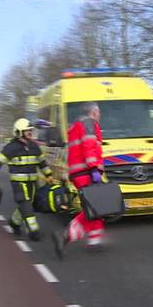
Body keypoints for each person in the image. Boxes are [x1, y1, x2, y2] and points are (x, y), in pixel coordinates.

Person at [0, 118, 55, 241]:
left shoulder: (34, 146)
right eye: (27, 131)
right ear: (19, 132)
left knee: (29, 205)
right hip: (18, 184)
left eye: (30, 130)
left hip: (33, 183)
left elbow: (42, 163)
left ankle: (14, 222)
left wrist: (48, 175)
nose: (30, 133)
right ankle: (34, 232)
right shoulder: (11, 147)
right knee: (26, 205)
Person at [52, 102, 106, 259]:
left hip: (78, 172)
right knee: (94, 207)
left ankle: (94, 241)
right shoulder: (89, 123)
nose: (100, 115)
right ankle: (64, 235)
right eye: (99, 111)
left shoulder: (76, 125)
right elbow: (89, 147)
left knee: (95, 207)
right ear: (94, 112)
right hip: (86, 171)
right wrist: (94, 168)